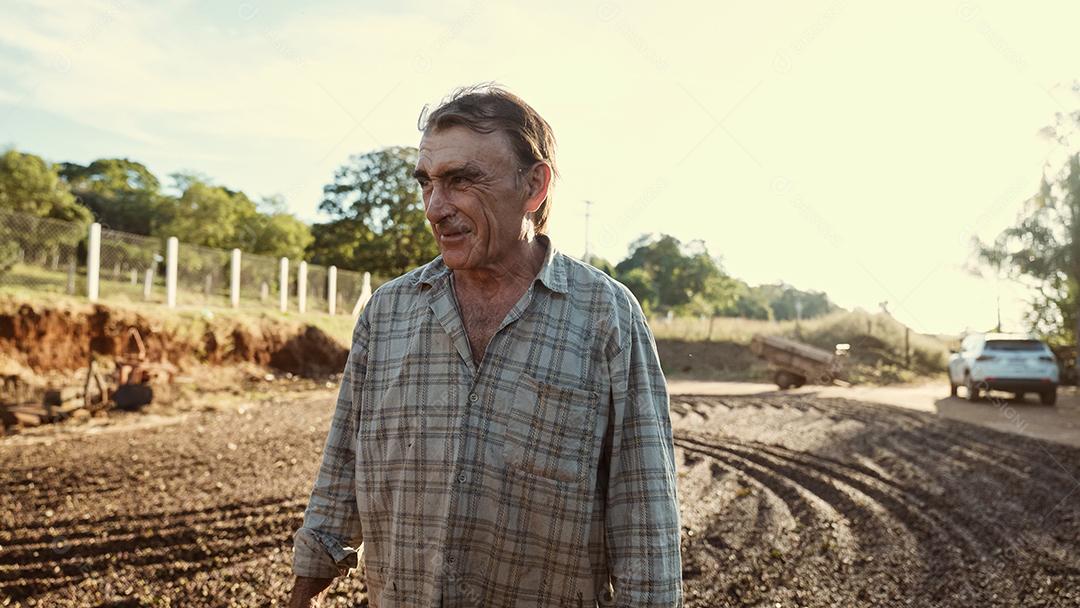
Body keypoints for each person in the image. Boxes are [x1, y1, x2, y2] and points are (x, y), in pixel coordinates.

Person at [288, 85, 682, 607]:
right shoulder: (387, 314)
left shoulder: (606, 316)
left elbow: (645, 517)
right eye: (427, 183)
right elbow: (340, 472)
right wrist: (304, 588)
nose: (434, 208)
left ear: (534, 186)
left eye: (461, 181)